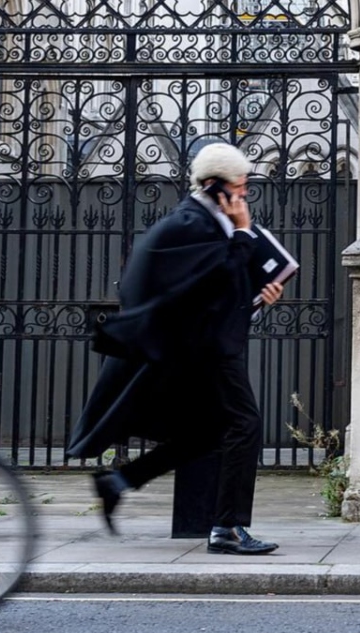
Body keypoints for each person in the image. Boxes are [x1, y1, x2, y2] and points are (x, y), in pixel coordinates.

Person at [65, 142, 283, 555]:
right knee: (245, 425)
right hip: (206, 352)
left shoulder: (206, 221)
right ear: (218, 186)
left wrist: (259, 298)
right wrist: (241, 234)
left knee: (206, 433)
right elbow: (211, 281)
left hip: (205, 347)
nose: (246, 194)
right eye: (241, 186)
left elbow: (216, 289)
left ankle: (118, 483)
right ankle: (227, 529)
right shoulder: (191, 223)